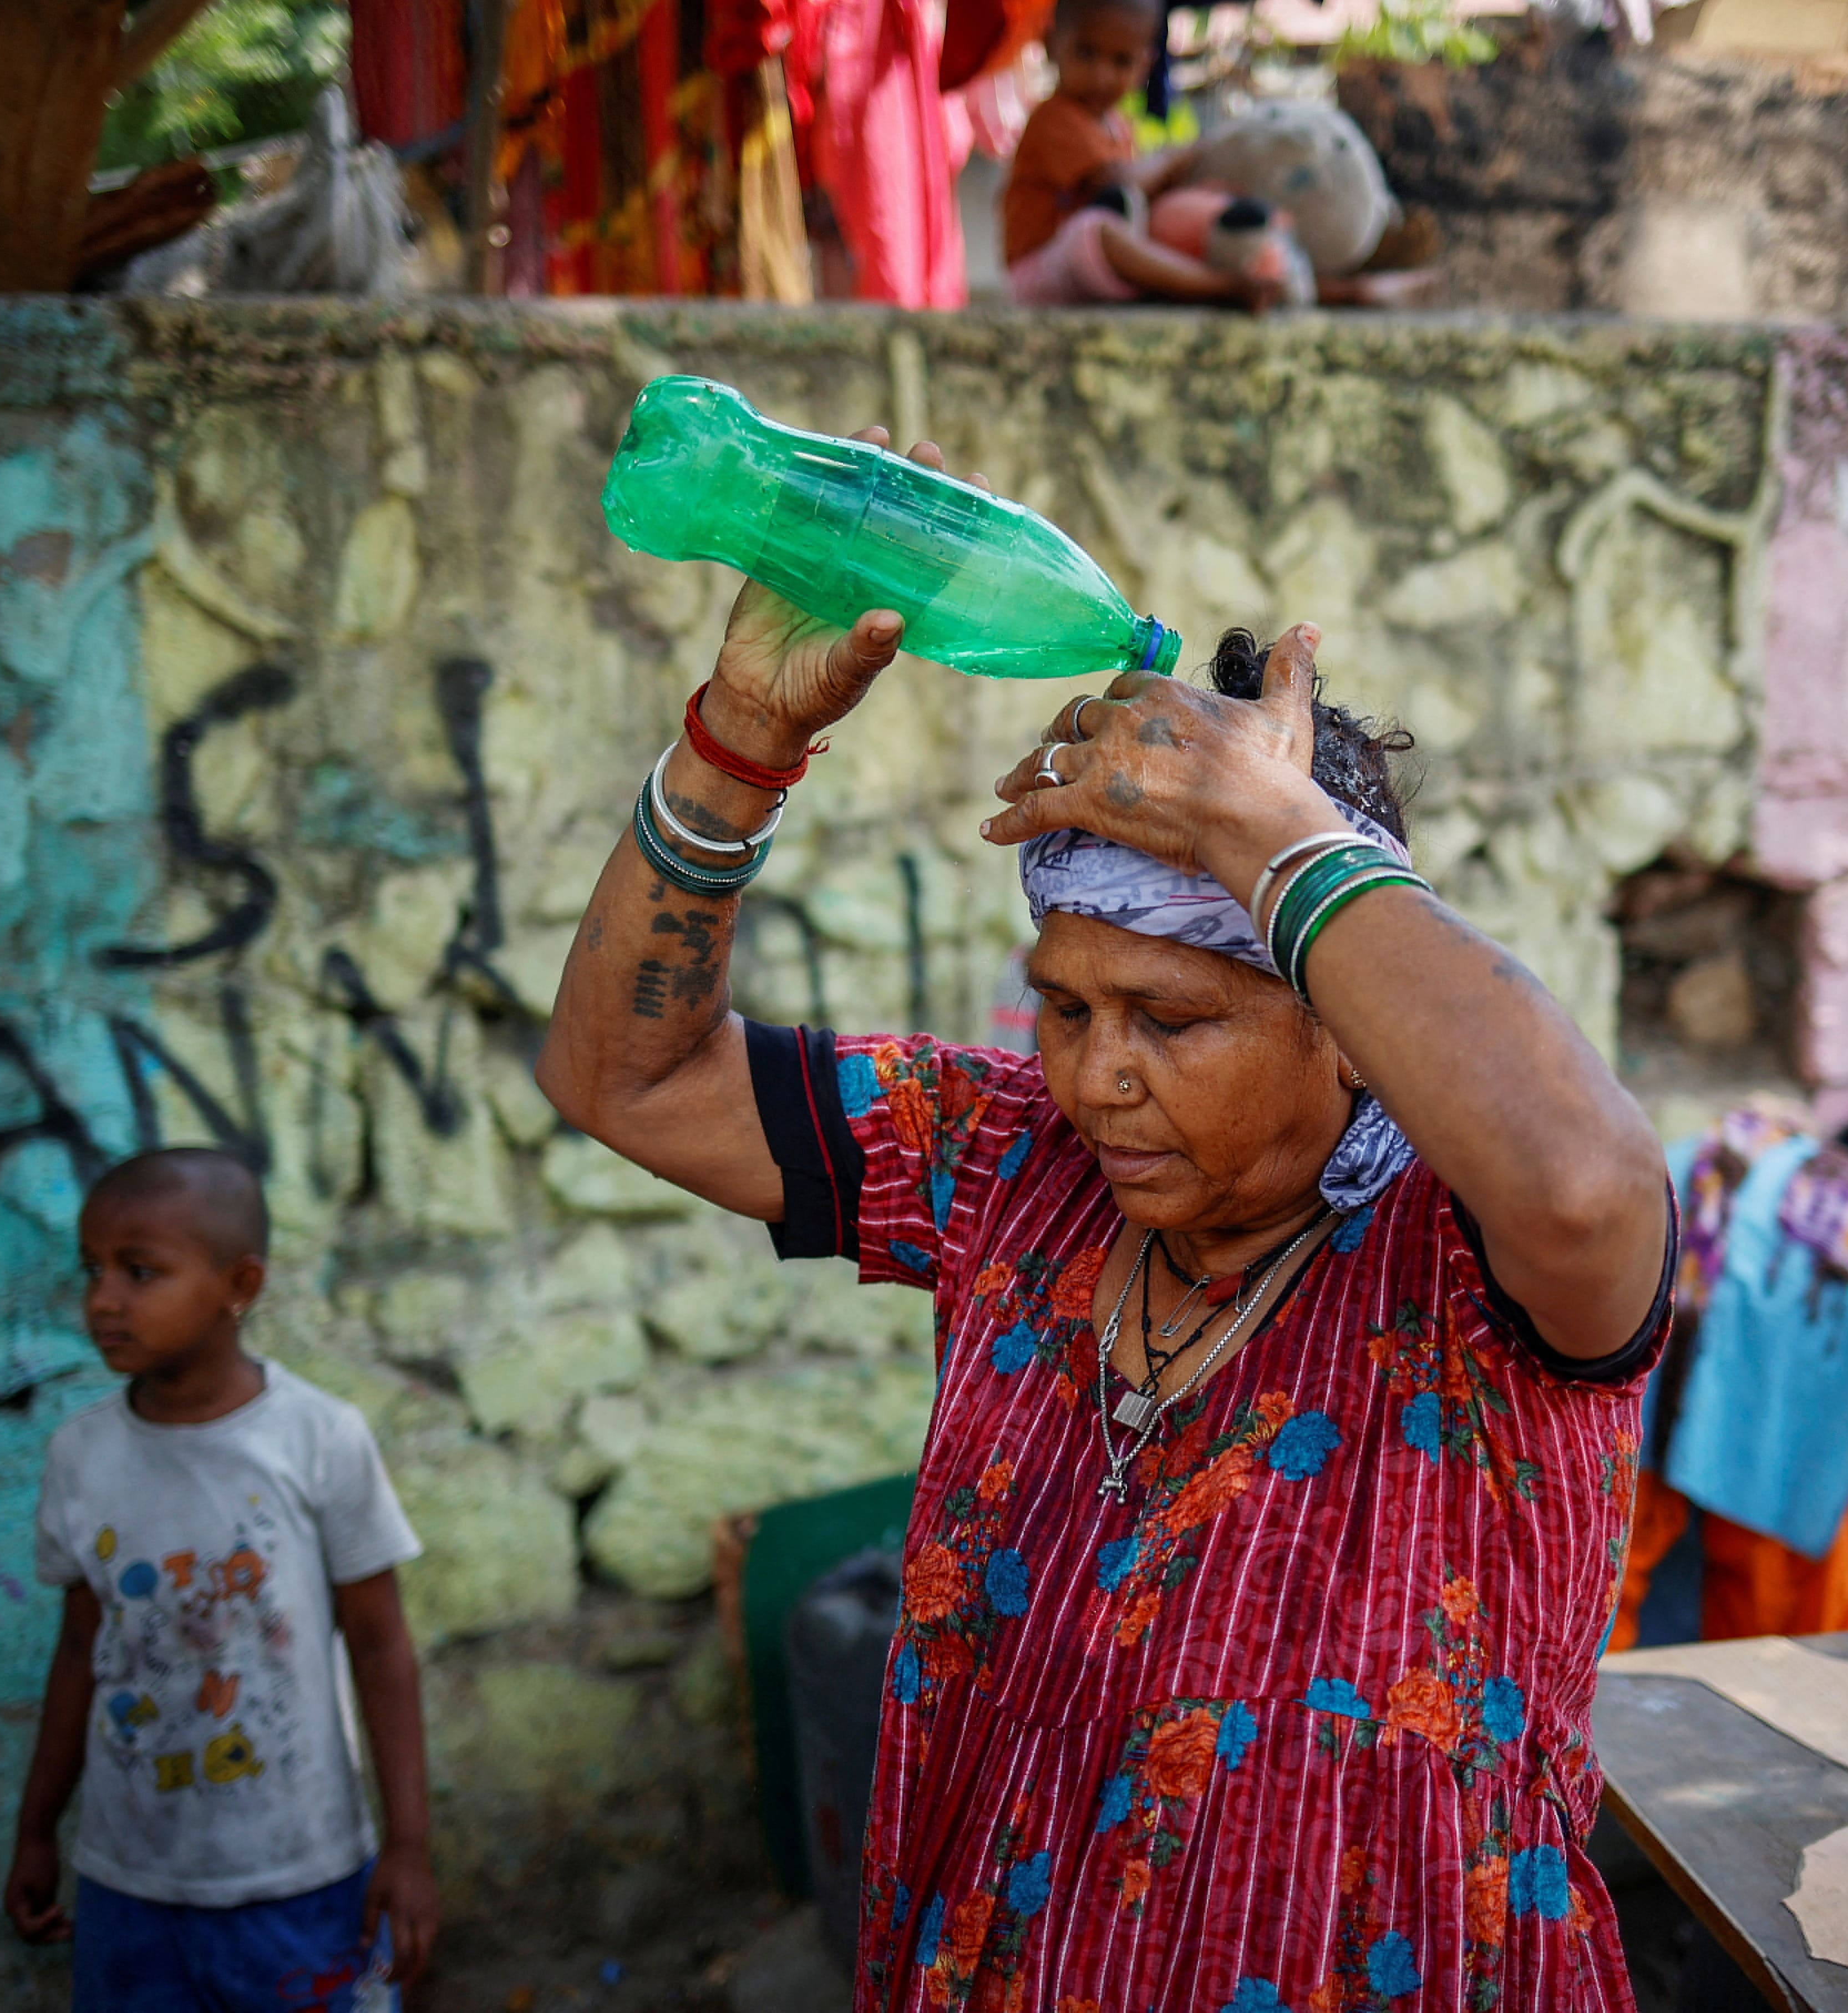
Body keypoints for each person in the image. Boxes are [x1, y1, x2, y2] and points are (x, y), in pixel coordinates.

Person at [537, 430, 1675, 2011]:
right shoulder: (1005, 1166)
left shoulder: (1467, 1253)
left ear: (1344, 1026)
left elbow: (1591, 1186)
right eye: (1064, 1006)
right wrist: (738, 741)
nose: (1096, 1080)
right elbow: (627, 1077)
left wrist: (1267, 836)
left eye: (1171, 1018)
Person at [4, 1148, 438, 2010]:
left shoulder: (318, 1438)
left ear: (239, 1284)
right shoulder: (81, 1456)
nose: (103, 1300)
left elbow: (382, 1647)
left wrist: (410, 1846)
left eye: (141, 1271)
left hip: (301, 1875)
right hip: (130, 1881)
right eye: (93, 1270)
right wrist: (35, 1829)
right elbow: (80, 1651)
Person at [1616, 1107, 1848, 1647]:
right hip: (1780, 1476)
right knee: (1774, 1653)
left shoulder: (1732, 1157)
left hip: (1625, 1379)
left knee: (1601, 1584)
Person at [1003, 0, 1278, 311]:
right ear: (1051, 44)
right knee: (1095, 231)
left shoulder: (1118, 127)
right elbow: (1118, 186)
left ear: (1145, 66)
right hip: (1042, 273)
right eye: (1086, 53)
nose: (1102, 76)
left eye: (1121, 62)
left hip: (1096, 272)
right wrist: (1175, 156)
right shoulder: (1055, 119)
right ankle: (1219, 287)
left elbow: (1140, 201)